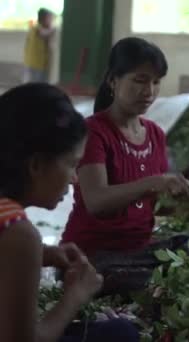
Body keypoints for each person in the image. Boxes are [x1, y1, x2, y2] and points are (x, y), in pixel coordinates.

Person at [0, 83, 139, 341]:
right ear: (36, 165)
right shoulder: (17, 232)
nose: (75, 178)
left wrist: (42, 256)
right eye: (72, 164)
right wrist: (75, 296)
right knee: (121, 334)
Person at [61, 37, 189, 294]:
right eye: (140, 80)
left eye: (156, 82)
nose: (149, 91)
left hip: (137, 253)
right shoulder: (94, 131)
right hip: (93, 256)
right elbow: (97, 201)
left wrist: (185, 202)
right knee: (161, 286)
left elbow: (150, 206)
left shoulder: (155, 134)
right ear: (113, 81)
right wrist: (154, 182)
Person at [23, 8, 55, 83]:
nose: (51, 20)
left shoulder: (40, 28)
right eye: (50, 18)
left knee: (41, 83)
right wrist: (53, 29)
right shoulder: (36, 28)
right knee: (34, 84)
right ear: (43, 19)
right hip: (34, 63)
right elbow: (45, 34)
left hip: (41, 63)